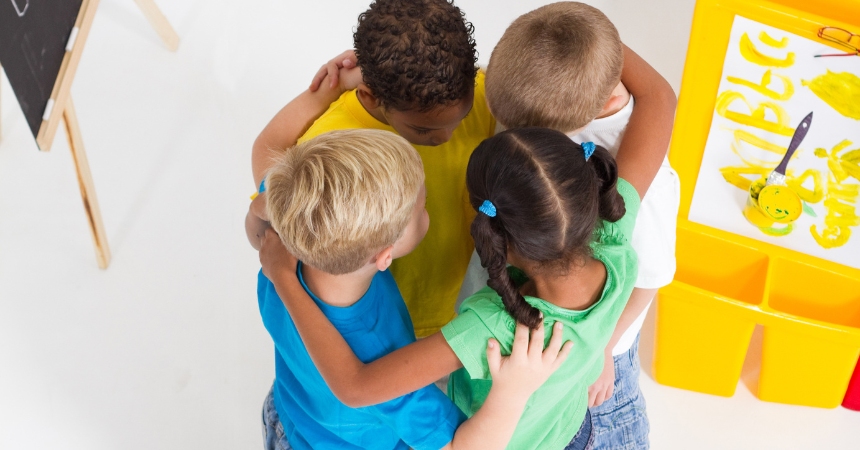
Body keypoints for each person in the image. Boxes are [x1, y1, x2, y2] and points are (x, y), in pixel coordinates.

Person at [249, 0, 676, 339]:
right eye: (423, 128)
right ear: (372, 96)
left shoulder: (494, 89)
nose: (446, 136)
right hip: (399, 313)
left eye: (465, 116)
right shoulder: (333, 141)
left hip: (475, 298)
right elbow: (274, 178)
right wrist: (317, 98)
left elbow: (589, 61)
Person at [259, 127, 657, 449]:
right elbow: (357, 388)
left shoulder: (283, 246)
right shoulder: (616, 244)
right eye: (425, 205)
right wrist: (513, 392)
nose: (430, 207)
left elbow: (264, 202)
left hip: (295, 417)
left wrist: (283, 277)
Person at [467, 4, 679, 448]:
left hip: (594, 343)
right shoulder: (547, 91)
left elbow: (650, 278)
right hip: (529, 319)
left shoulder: (639, 181)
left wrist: (602, 345)